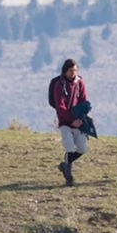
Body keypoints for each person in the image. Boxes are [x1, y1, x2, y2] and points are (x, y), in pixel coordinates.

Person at [48, 58, 89, 186]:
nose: (73, 73)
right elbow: (60, 106)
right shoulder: (58, 84)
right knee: (69, 147)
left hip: (79, 122)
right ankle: (69, 177)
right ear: (65, 71)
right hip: (65, 122)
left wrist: (80, 119)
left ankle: (64, 165)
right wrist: (71, 120)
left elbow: (84, 102)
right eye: (71, 71)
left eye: (75, 70)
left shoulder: (80, 83)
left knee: (82, 148)